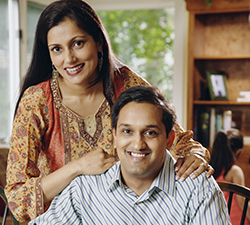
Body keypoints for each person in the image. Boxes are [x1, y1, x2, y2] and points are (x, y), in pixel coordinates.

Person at [5, 0, 213, 222]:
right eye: (57, 49)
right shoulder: (36, 101)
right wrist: (78, 167)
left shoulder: (126, 82)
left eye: (77, 43)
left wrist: (196, 155)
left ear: (99, 42)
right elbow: (19, 200)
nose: (69, 59)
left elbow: (176, 139)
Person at [29, 85, 230, 225]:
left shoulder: (198, 188)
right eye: (127, 131)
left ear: (169, 139)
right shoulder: (84, 188)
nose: (137, 143)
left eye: (150, 132)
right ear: (114, 136)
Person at [210, 129, 250, 224]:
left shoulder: (208, 172)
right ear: (238, 151)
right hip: (236, 221)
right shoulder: (235, 171)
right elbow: (242, 203)